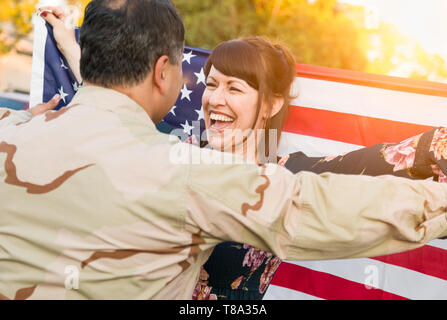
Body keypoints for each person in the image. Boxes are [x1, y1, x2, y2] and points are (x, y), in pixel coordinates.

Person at [0, 0, 446, 300]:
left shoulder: (292, 172)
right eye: (210, 84)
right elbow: (116, 91)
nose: (213, 98)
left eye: (235, 87)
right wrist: (67, 42)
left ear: (271, 103)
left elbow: (405, 156)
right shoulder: (176, 148)